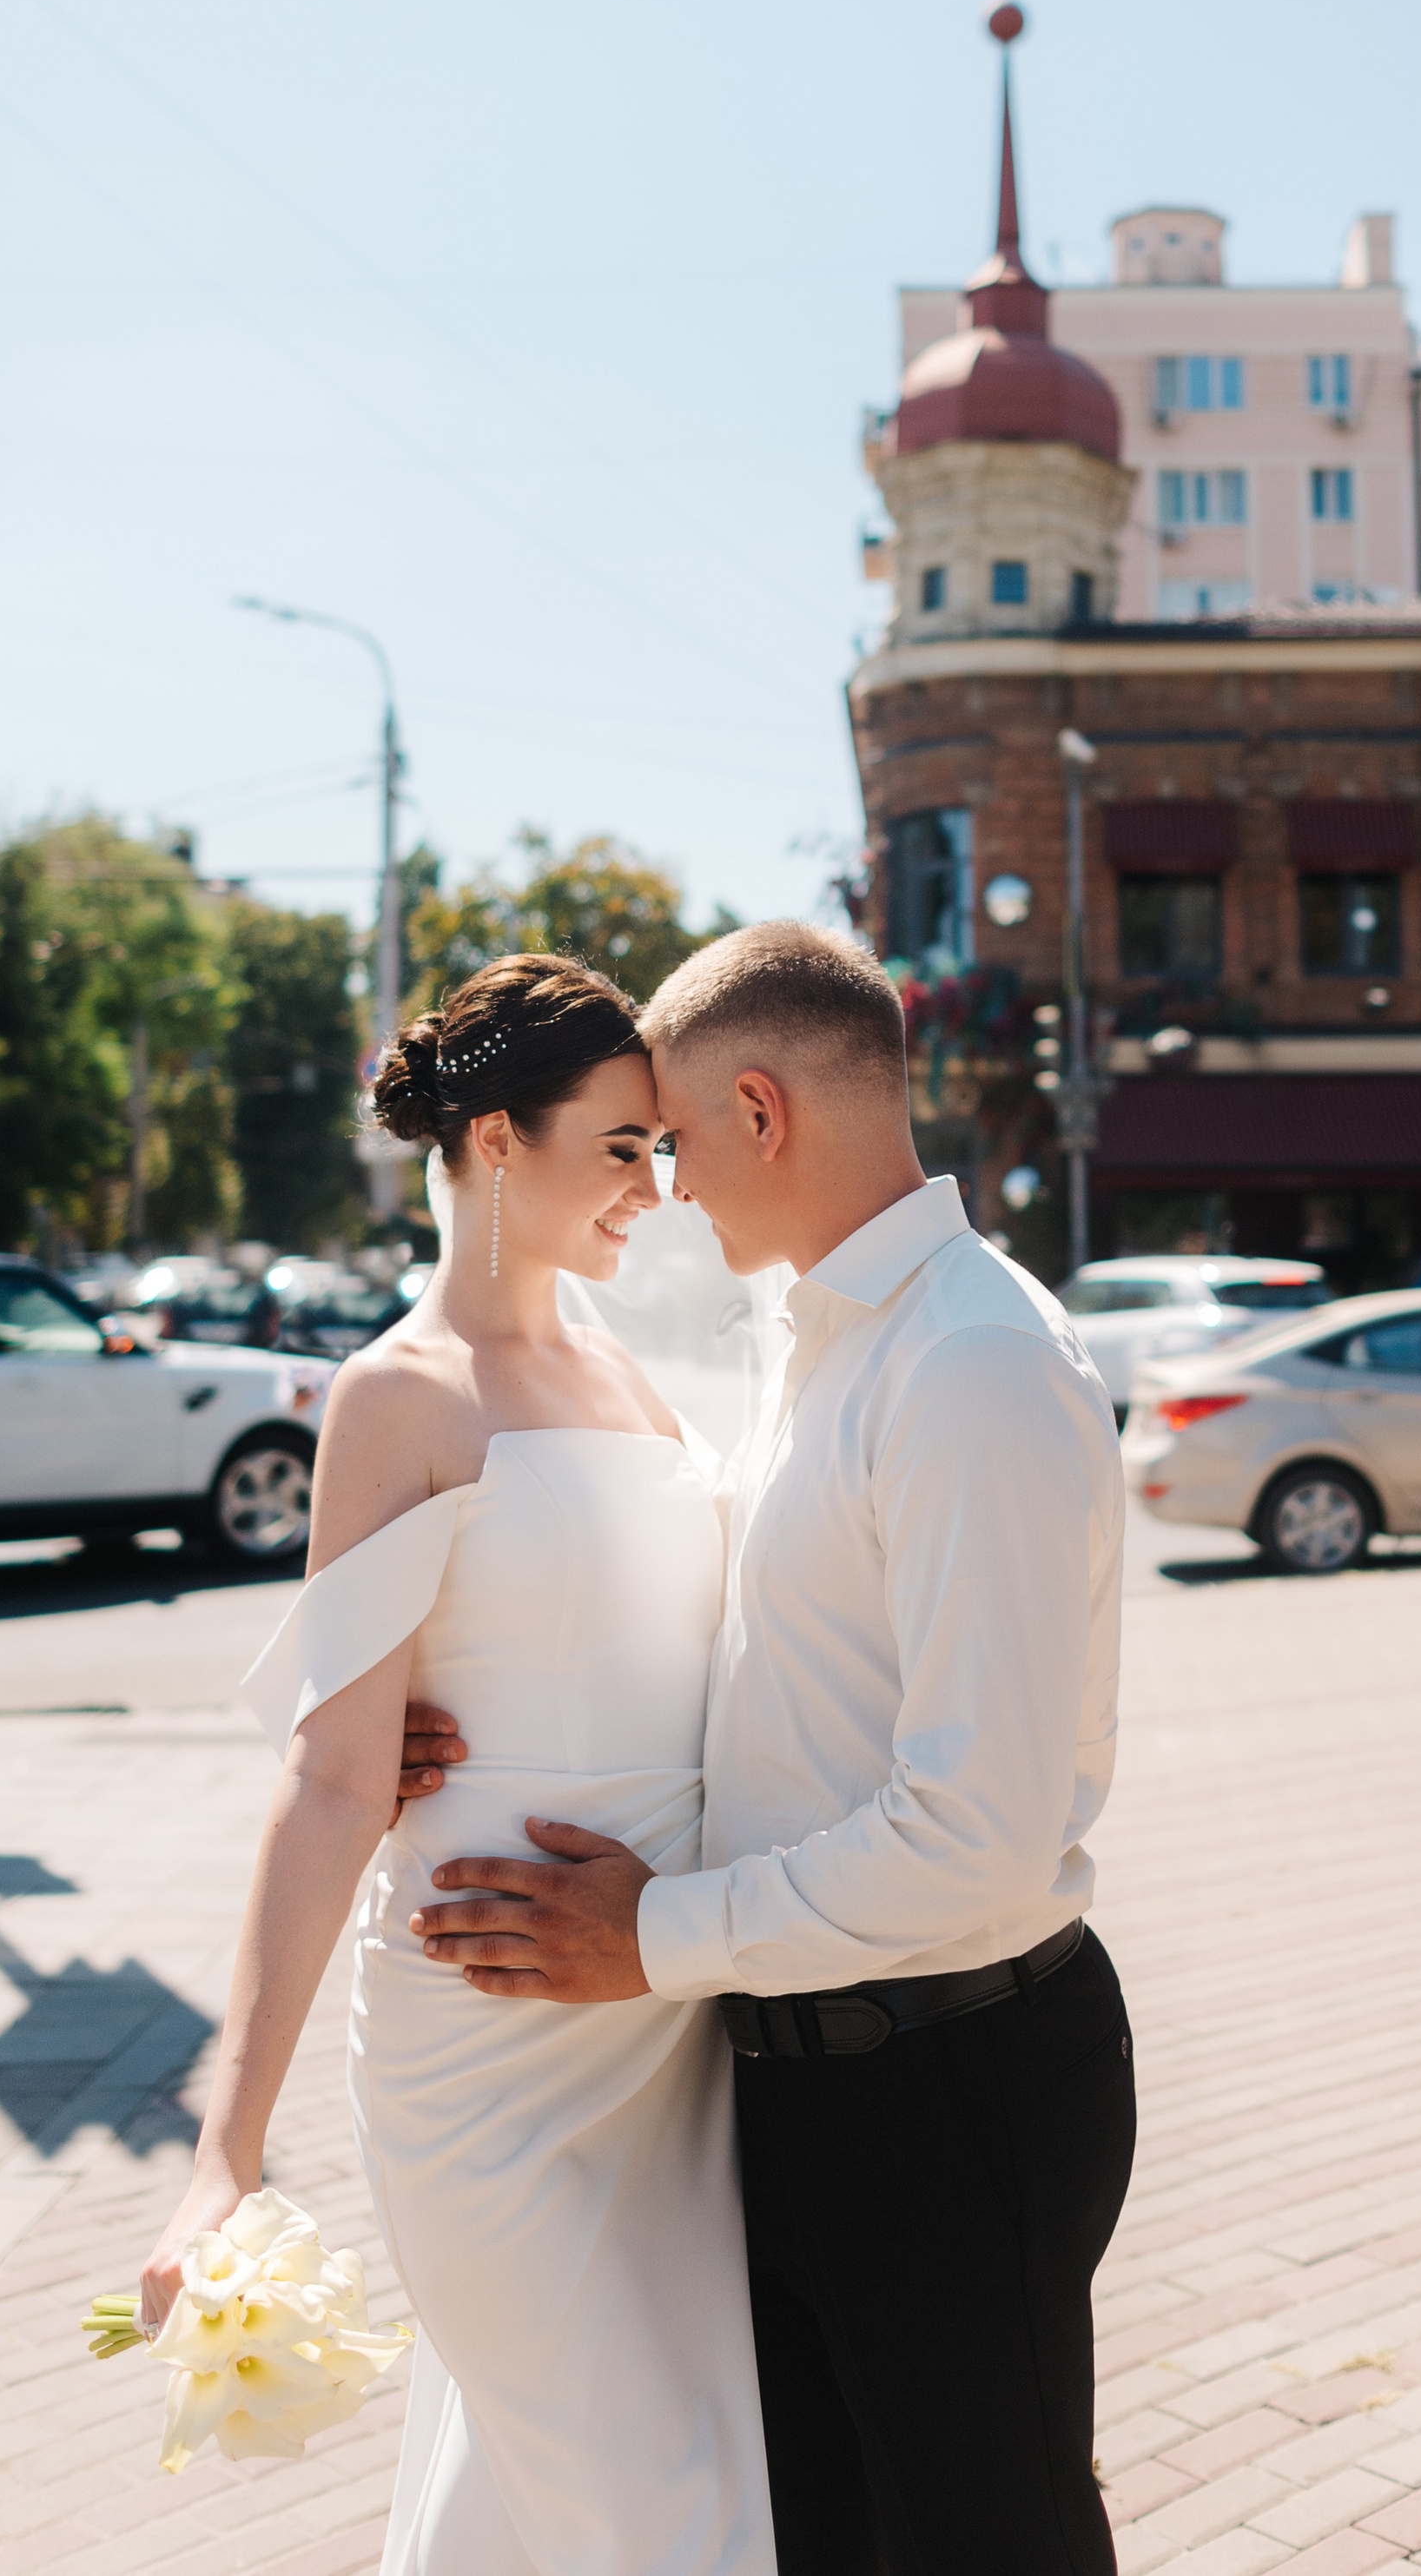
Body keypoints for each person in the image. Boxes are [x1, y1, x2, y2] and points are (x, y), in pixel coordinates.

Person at [411, 920, 1135, 2576]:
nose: (662, 1188)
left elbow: (977, 1834)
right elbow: (747, 1660)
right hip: (796, 2072)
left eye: (669, 1141)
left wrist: (648, 1937)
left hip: (952, 2080)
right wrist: (444, 1722)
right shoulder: (817, 1345)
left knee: (990, 2543)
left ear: (759, 1109)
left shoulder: (973, 1364)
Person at [136, 949, 776, 2576]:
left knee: (605, 2475)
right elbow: (337, 1776)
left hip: (661, 2022)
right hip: (477, 2036)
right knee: (653, 2502)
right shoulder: (394, 1395)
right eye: (621, 1144)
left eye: (660, 1149)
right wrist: (229, 2148)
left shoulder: (634, 1376)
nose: (656, 1183)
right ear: (498, 1139)